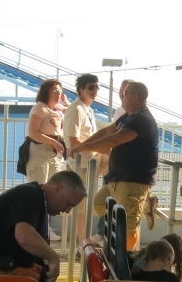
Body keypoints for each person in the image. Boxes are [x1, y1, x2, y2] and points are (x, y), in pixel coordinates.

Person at [69, 81, 158, 252]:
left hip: (133, 180)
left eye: (124, 93)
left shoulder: (142, 119)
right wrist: (81, 146)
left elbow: (116, 139)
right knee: (99, 204)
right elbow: (108, 132)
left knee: (129, 224)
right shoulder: (128, 116)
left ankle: (126, 263)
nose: (121, 96)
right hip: (117, 178)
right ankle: (143, 206)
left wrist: (82, 147)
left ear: (134, 97)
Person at [63, 73, 103, 243]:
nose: (95, 90)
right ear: (81, 90)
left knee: (87, 206)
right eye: (91, 87)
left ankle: (86, 242)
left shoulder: (88, 110)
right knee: (82, 207)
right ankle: (82, 244)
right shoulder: (76, 109)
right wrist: (99, 148)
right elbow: (73, 140)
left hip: (91, 163)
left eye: (97, 87)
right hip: (82, 165)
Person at [25, 79, 68, 185]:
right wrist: (54, 142)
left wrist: (66, 102)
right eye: (54, 90)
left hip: (55, 154)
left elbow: (73, 112)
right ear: (46, 91)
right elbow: (33, 133)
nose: (58, 93)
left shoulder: (58, 108)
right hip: (40, 151)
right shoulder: (40, 107)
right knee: (39, 187)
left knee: (55, 187)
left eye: (60, 90)